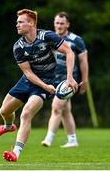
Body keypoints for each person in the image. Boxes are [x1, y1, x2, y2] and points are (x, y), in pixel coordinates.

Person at [0, 9, 78, 162]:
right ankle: (8, 126)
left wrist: (69, 78)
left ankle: (15, 152)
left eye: (20, 22)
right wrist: (44, 85)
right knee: (4, 110)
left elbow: (69, 52)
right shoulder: (18, 46)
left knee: (26, 113)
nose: (17, 24)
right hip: (28, 81)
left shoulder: (47, 36)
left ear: (31, 23)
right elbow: (28, 73)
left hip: (47, 82)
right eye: (17, 22)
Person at [42, 11, 89, 148]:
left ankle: (48, 139)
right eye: (57, 23)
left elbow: (83, 61)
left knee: (56, 107)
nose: (59, 25)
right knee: (65, 111)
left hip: (68, 81)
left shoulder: (76, 40)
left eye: (62, 23)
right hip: (52, 80)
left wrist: (85, 80)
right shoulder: (49, 37)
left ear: (68, 25)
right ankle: (73, 140)